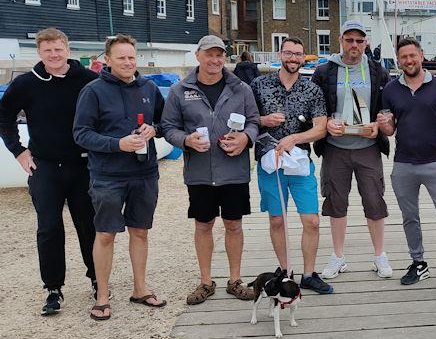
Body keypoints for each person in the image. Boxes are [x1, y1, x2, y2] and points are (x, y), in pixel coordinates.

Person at [0, 28, 98, 316]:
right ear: (39, 52)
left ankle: (97, 279)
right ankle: (53, 288)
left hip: (82, 165)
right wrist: (18, 150)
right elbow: (3, 115)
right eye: (47, 51)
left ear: (67, 49)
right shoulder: (26, 84)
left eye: (58, 49)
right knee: (49, 227)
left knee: (88, 225)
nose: (54, 55)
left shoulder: (88, 81)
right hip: (44, 166)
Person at [73, 34, 166, 320]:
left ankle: (140, 288)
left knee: (140, 232)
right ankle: (102, 295)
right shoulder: (93, 91)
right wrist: (117, 144)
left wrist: (154, 129)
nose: (127, 62)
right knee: (105, 234)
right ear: (108, 60)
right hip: (107, 176)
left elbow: (165, 122)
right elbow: (81, 134)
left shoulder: (149, 87)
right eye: (121, 57)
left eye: (131, 57)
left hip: (144, 173)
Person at [161, 35, 260, 305]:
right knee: (203, 225)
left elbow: (254, 122)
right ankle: (206, 282)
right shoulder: (180, 90)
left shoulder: (241, 88)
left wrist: (245, 139)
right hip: (200, 172)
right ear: (198, 56)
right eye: (209, 55)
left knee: (234, 225)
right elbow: (168, 127)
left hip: (234, 171)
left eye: (219, 55)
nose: (215, 60)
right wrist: (185, 140)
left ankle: (235, 280)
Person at [311, 20, 394, 280]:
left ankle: (380, 255)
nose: (354, 45)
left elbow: (388, 109)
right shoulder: (325, 71)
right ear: (341, 40)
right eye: (349, 39)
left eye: (359, 40)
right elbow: (315, 106)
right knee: (336, 201)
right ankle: (338, 256)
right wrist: (327, 123)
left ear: (366, 43)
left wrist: (379, 125)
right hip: (335, 147)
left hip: (368, 147)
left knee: (374, 200)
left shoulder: (378, 71)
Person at [250, 37, 333, 294]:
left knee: (312, 221)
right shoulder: (258, 84)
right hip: (269, 162)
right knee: (277, 220)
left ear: (304, 57)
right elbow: (247, 120)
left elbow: (320, 128)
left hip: (299, 162)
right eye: (288, 53)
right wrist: (264, 119)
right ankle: (286, 272)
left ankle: (309, 274)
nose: (293, 58)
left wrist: (295, 138)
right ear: (280, 54)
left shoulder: (312, 90)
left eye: (298, 54)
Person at [377, 37, 436, 289]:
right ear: (399, 60)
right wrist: (384, 126)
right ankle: (418, 263)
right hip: (403, 164)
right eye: (404, 57)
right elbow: (390, 131)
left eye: (413, 55)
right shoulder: (390, 90)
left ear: (422, 56)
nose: (409, 60)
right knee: (409, 216)